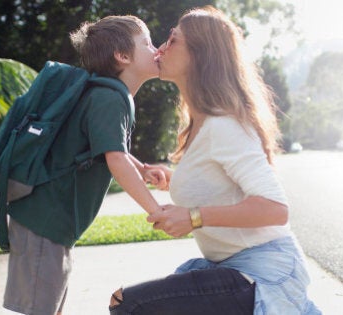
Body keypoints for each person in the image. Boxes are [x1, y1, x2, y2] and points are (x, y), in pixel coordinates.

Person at [109, 6, 321, 315]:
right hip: (236, 270)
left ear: (200, 54)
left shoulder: (224, 126)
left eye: (173, 39)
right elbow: (220, 186)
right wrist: (172, 180)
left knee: (130, 305)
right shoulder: (202, 125)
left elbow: (275, 209)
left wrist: (193, 217)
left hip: (261, 275)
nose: (162, 48)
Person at [3, 15, 165, 315]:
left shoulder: (108, 94)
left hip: (48, 220)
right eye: (148, 43)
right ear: (123, 56)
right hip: (44, 220)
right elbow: (115, 158)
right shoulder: (109, 97)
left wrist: (141, 168)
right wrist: (155, 209)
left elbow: (110, 148)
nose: (156, 49)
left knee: (48, 306)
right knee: (41, 310)